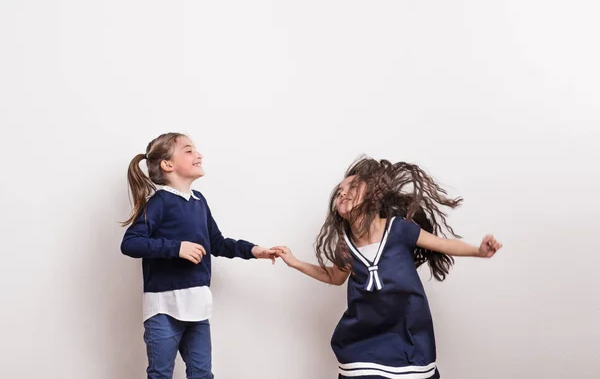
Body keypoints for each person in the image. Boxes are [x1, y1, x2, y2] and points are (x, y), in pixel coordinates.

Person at [275, 157, 502, 379]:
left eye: (353, 186)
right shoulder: (346, 244)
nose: (343, 192)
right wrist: (295, 262)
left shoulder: (399, 229)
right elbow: (335, 276)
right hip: (361, 344)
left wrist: (478, 251)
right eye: (339, 190)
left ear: (374, 194)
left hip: (409, 338)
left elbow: (442, 244)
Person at [120, 132, 280, 379]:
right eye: (188, 150)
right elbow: (130, 243)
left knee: (202, 374)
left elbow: (216, 243)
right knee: (160, 374)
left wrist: (253, 250)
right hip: (163, 308)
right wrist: (176, 248)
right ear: (167, 164)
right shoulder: (159, 202)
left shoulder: (199, 201)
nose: (198, 154)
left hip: (197, 307)